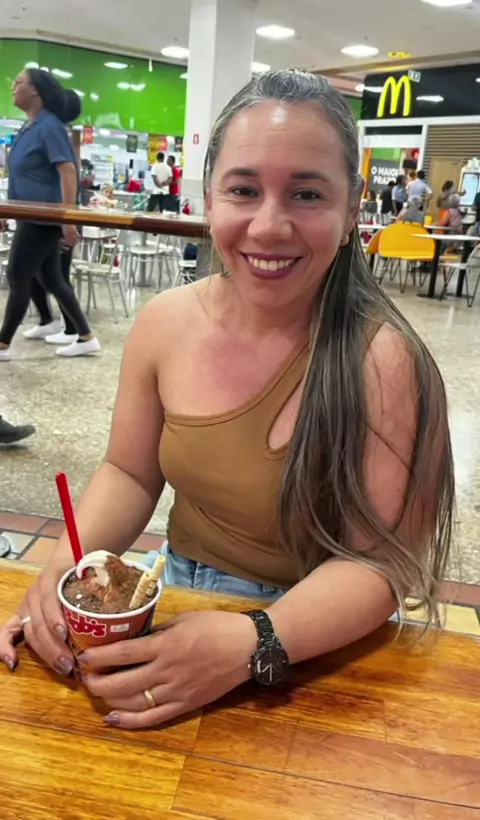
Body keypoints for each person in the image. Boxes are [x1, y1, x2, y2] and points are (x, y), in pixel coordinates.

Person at [0, 71, 454, 729]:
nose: (269, 226)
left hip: (315, 640)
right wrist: (65, 573)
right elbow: (129, 472)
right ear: (209, 196)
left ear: (352, 209)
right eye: (243, 190)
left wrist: (256, 640)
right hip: (179, 595)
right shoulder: (164, 323)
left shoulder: (382, 361)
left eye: (306, 194)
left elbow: (381, 563)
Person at [0, 70, 100, 361]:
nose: (13, 87)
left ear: (36, 90)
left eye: (19, 82)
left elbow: (68, 170)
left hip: (43, 219)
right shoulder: (29, 126)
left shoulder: (50, 126)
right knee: (51, 278)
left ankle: (2, 343)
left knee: (17, 273)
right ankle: (86, 337)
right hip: (28, 215)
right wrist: (7, 210)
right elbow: (22, 174)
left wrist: (68, 219)